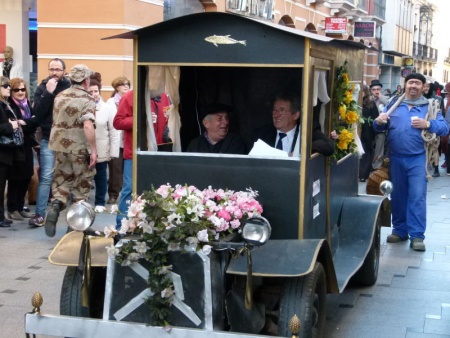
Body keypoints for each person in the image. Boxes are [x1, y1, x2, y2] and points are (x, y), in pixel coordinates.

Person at [374, 73, 449, 251]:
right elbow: (379, 126)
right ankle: (400, 231)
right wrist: (378, 122)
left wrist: (427, 124)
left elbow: (445, 128)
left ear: (424, 87)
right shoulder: (394, 104)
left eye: (417, 83)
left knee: (417, 196)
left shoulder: (431, 106)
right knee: (398, 196)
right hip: (395, 158)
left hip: (418, 159)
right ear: (405, 85)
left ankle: (416, 236)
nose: (413, 86)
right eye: (410, 83)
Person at [44, 64, 97, 237]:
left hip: (59, 147)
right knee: (81, 186)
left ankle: (55, 206)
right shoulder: (87, 98)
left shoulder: (60, 95)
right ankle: (74, 229)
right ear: (86, 80)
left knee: (62, 182)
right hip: (79, 148)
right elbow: (88, 125)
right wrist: (94, 150)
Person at [29, 58, 71, 227]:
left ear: (64, 71)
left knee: (69, 176)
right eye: (51, 69)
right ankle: (39, 215)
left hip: (68, 140)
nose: (54, 72)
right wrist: (48, 93)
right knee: (46, 176)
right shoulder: (42, 88)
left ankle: (72, 218)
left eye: (58, 69)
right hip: (49, 138)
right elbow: (37, 114)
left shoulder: (69, 88)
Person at [253, 93, 334, 157]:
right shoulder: (262, 134)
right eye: (275, 110)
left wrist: (300, 151)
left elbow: (328, 145)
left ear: (295, 115)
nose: (276, 115)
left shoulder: (306, 131)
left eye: (282, 110)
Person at [6, 78, 39, 221]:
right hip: (15, 146)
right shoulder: (9, 106)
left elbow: (34, 123)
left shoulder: (27, 105)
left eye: (22, 89)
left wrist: (24, 123)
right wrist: (27, 123)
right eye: (16, 90)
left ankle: (20, 207)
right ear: (11, 91)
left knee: (27, 176)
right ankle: (12, 208)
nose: (20, 92)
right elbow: (15, 126)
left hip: (26, 145)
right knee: (15, 178)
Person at [88, 74, 119, 211]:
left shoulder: (108, 108)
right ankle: (80, 202)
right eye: (90, 91)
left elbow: (114, 131)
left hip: (102, 148)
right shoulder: (82, 107)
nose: (94, 94)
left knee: (100, 176)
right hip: (84, 149)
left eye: (96, 91)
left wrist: (113, 152)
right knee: (81, 176)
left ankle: (100, 202)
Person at [0, 77, 22, 227]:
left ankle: (2, 215)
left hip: (6, 152)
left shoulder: (5, 104)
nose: (9, 88)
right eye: (5, 86)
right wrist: (11, 125)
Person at [106, 76, 130, 204]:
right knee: (115, 169)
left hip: (128, 140)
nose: (126, 86)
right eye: (123, 84)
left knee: (129, 168)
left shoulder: (131, 100)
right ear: (117, 87)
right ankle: (113, 194)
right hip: (116, 141)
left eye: (127, 84)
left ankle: (128, 194)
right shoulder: (110, 103)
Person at [113, 89, 133, 229]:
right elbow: (118, 122)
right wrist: (139, 118)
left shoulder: (164, 97)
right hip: (134, 153)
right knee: (129, 189)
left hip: (159, 151)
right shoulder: (129, 97)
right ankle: (122, 226)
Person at [359, 85, 379, 182]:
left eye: (362, 91)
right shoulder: (354, 102)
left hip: (368, 131)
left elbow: (375, 118)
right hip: (358, 130)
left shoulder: (371, 104)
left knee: (367, 151)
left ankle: (363, 174)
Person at [370, 79, 389, 170]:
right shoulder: (368, 100)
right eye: (374, 90)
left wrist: (381, 98)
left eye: (378, 89)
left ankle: (377, 167)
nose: (376, 91)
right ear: (371, 91)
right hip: (369, 128)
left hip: (381, 129)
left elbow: (390, 106)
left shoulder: (385, 99)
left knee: (379, 148)